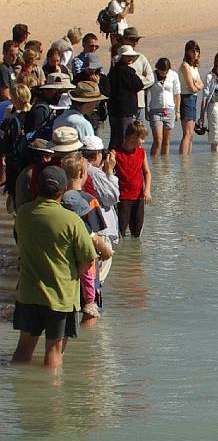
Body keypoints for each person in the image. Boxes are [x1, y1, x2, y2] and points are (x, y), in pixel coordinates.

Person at [11, 165, 96, 367]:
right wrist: (73, 274)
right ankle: (51, 394)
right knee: (54, 351)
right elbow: (88, 259)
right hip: (61, 296)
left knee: (23, 349)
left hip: (28, 294)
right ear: (63, 191)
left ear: (38, 188)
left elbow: (19, 241)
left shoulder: (23, 214)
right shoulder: (72, 220)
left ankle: (19, 394)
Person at [60, 152, 112, 320]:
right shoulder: (90, 201)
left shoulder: (58, 200)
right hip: (87, 265)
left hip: (63, 262)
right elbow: (95, 236)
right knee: (90, 312)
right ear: (83, 174)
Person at [81, 135, 120, 284]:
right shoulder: (94, 172)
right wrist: (109, 172)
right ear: (97, 154)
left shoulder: (78, 167)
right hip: (99, 230)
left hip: (88, 228)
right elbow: (112, 197)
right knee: (96, 279)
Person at [114, 120, 151, 238]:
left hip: (139, 197)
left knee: (137, 233)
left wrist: (147, 190)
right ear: (133, 136)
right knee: (120, 232)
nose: (143, 142)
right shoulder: (116, 153)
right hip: (123, 198)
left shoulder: (141, 152)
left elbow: (147, 172)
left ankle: (135, 256)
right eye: (142, 138)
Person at [107, 45, 144, 149]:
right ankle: (121, 160)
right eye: (128, 56)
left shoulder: (112, 71)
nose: (130, 58)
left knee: (114, 137)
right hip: (125, 110)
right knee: (124, 138)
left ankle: (112, 158)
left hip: (113, 109)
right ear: (122, 57)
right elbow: (139, 85)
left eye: (131, 56)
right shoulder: (128, 71)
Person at [147, 57, 181, 157]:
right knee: (158, 139)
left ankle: (165, 167)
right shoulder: (152, 76)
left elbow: (177, 94)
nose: (163, 74)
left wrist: (178, 111)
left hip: (169, 110)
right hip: (155, 110)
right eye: (161, 72)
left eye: (166, 72)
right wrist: (146, 111)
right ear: (157, 68)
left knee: (166, 141)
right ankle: (154, 163)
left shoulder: (173, 75)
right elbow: (145, 94)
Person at [119, 27, 154, 121]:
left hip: (140, 103)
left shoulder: (141, 58)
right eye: (132, 39)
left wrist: (135, 83)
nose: (135, 42)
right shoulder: (117, 58)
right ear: (124, 40)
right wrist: (139, 79)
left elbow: (151, 79)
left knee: (140, 133)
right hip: (125, 105)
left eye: (137, 40)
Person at [73, 52, 110, 133]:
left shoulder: (103, 78)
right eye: (89, 69)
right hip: (81, 113)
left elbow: (106, 96)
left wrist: (97, 84)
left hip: (98, 114)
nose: (92, 71)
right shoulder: (78, 78)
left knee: (96, 140)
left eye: (94, 68)